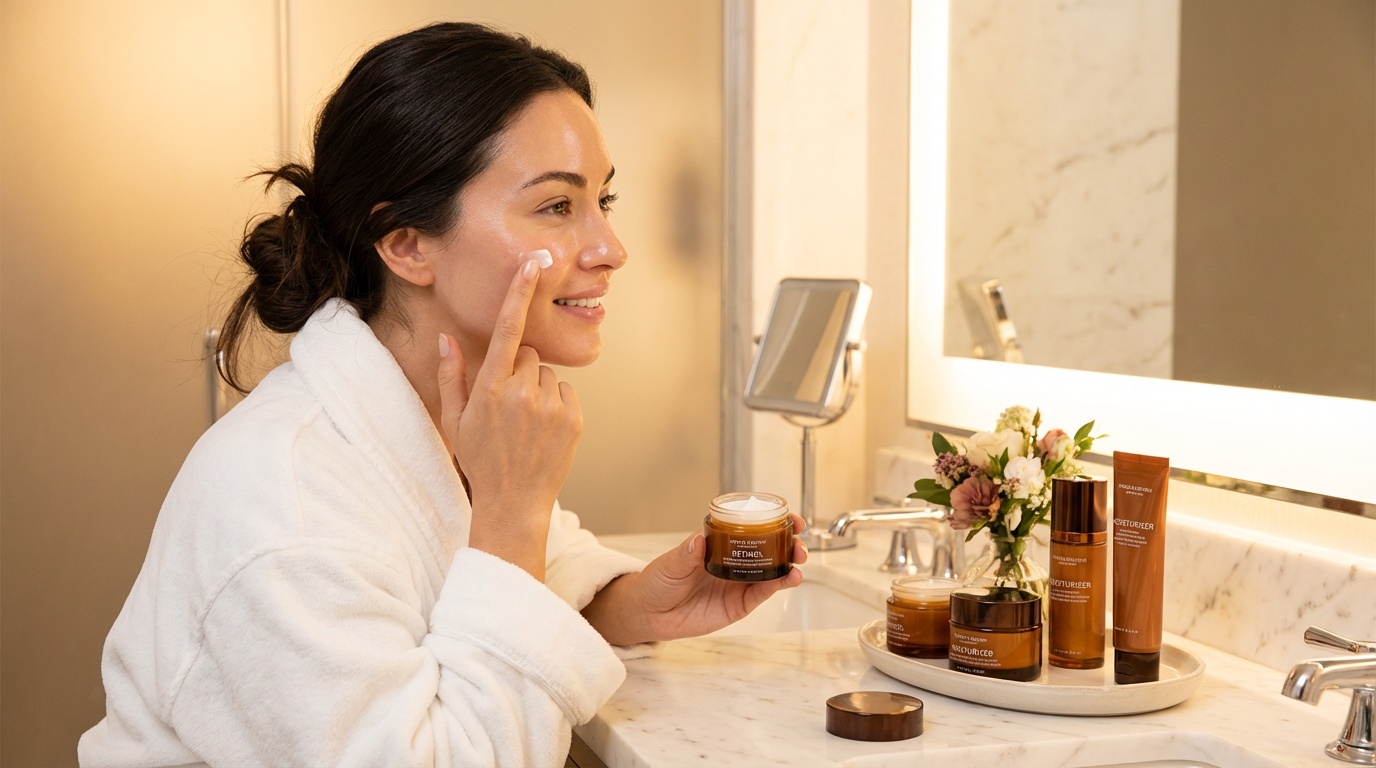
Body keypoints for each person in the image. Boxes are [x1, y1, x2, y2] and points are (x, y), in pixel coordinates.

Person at [78, 22, 805, 767]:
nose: (610, 249)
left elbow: (494, 590)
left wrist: (626, 606)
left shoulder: (436, 418)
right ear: (406, 244)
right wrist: (514, 510)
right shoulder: (283, 501)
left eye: (603, 199)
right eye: (557, 206)